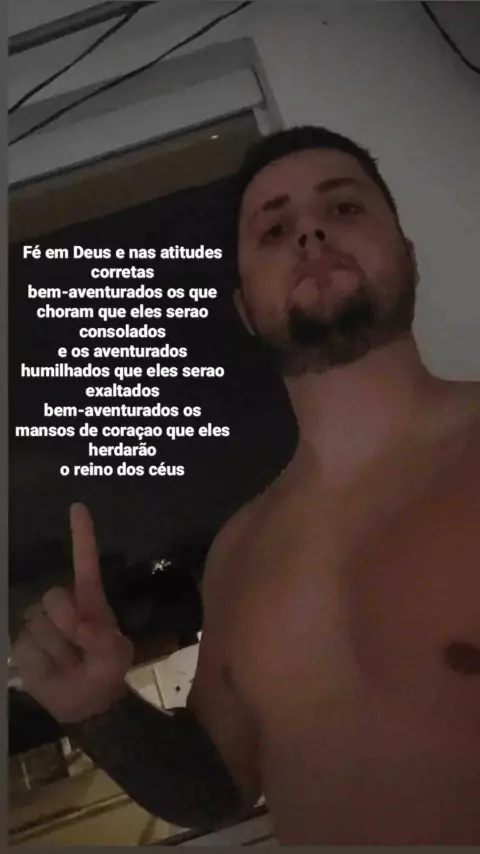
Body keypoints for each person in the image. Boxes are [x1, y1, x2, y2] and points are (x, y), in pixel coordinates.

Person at [12, 126, 480, 844]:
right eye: (274, 230)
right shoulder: (238, 553)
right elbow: (217, 789)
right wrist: (98, 711)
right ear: (243, 307)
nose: (311, 233)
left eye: (344, 208)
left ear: (407, 254)